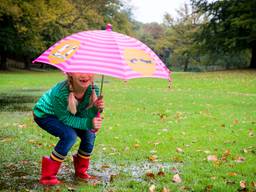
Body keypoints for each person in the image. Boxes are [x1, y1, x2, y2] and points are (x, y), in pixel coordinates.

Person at [33, 72, 104, 185]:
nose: (84, 75)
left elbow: (84, 114)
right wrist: (89, 123)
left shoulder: (93, 90)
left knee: (89, 135)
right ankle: (48, 177)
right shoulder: (60, 92)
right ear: (70, 73)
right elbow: (66, 119)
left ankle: (81, 171)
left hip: (71, 115)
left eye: (88, 70)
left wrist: (95, 109)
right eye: (79, 70)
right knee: (69, 136)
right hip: (46, 115)